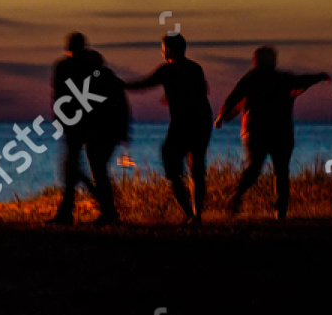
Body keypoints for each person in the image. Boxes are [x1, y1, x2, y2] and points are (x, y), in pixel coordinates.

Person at [217, 46, 328, 220]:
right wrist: (319, 77)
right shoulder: (280, 78)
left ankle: (240, 196)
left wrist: (221, 116)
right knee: (280, 171)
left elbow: (233, 98)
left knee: (257, 167)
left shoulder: (252, 78)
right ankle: (279, 209)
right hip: (278, 130)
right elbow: (302, 80)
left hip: (257, 130)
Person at [124, 33, 212, 223]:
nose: (162, 52)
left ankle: (190, 213)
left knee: (171, 165)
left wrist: (120, 85)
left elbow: (143, 84)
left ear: (168, 50)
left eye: (163, 48)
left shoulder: (168, 70)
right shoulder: (195, 68)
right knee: (196, 168)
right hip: (203, 121)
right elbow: (203, 91)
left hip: (183, 123)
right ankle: (196, 215)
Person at [48, 33, 122, 226]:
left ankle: (99, 209)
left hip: (81, 123)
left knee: (77, 168)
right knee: (87, 168)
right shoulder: (95, 67)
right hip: (95, 122)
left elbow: (60, 96)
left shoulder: (65, 67)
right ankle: (100, 209)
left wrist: (61, 118)